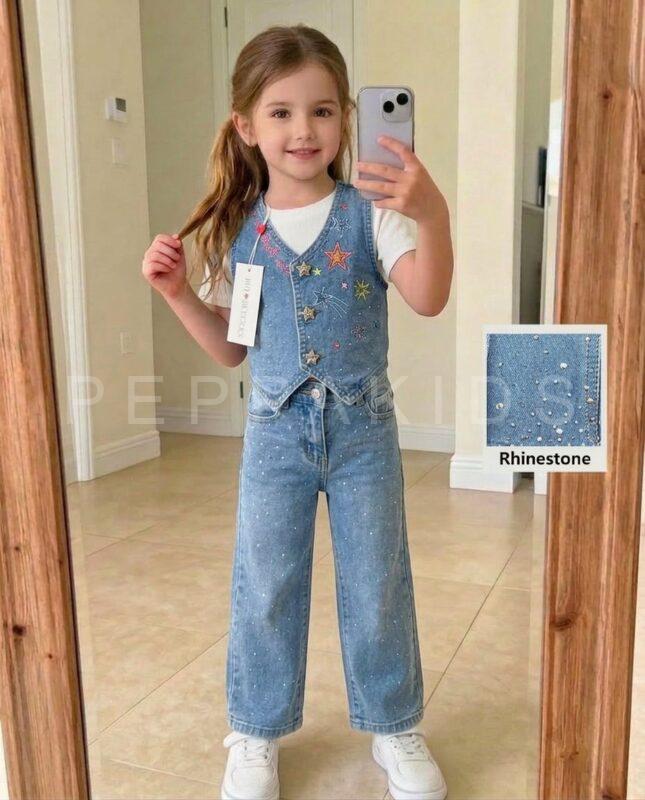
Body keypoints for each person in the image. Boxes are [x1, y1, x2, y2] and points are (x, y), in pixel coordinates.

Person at [141, 23, 453, 800]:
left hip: (363, 434)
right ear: (246, 126)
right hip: (273, 437)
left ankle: (393, 724)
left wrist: (432, 215)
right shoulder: (237, 232)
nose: (302, 130)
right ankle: (254, 729)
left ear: (346, 118)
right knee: (266, 582)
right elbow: (230, 350)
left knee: (377, 580)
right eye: (280, 112)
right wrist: (177, 295)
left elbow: (427, 296)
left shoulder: (370, 214)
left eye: (320, 110)